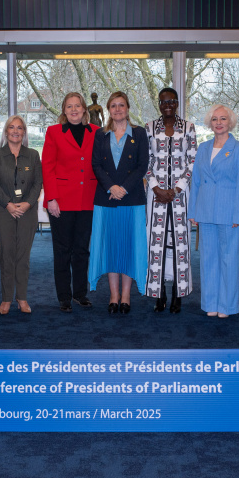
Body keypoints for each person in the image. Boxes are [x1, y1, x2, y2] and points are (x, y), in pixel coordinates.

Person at [88, 91, 149, 314]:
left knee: (128, 248)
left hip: (131, 200)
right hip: (106, 200)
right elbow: (96, 164)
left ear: (128, 108)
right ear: (108, 110)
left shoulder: (140, 134)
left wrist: (123, 188)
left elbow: (143, 165)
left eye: (121, 105)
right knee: (111, 249)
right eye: (113, 106)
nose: (117, 109)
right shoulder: (100, 135)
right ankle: (113, 295)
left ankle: (126, 296)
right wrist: (110, 187)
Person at [188, 104, 239, 317]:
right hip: (205, 210)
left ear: (230, 122)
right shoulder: (203, 148)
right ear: (209, 122)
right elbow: (195, 181)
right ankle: (210, 304)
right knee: (208, 260)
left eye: (223, 119)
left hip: (228, 212)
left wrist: (238, 215)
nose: (219, 123)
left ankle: (227, 306)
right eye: (215, 119)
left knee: (228, 259)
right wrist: (192, 211)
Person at [42, 92, 99, 312]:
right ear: (64, 111)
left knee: (82, 249)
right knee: (63, 250)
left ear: (84, 109)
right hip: (61, 201)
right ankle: (64, 296)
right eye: (69, 106)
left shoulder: (96, 132)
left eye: (77, 106)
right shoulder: (54, 132)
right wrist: (51, 198)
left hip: (88, 200)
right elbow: (47, 166)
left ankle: (80, 294)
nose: (74, 110)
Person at [145, 87, 197, 313]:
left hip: (179, 196)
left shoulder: (188, 128)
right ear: (159, 104)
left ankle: (178, 291)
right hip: (155, 195)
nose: (168, 105)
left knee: (179, 243)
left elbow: (192, 162)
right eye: (163, 102)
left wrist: (176, 189)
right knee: (156, 243)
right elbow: (145, 162)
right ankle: (160, 292)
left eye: (172, 101)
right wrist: (157, 188)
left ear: (177, 103)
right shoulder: (149, 128)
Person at [0, 116, 42, 314]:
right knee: (6, 254)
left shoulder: (33, 155)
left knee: (23, 256)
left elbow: (38, 183)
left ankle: (22, 298)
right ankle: (7, 298)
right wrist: (8, 204)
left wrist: (26, 204)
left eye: (19, 128)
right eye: (12, 127)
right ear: (6, 132)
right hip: (4, 210)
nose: (15, 131)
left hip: (27, 211)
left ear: (24, 132)